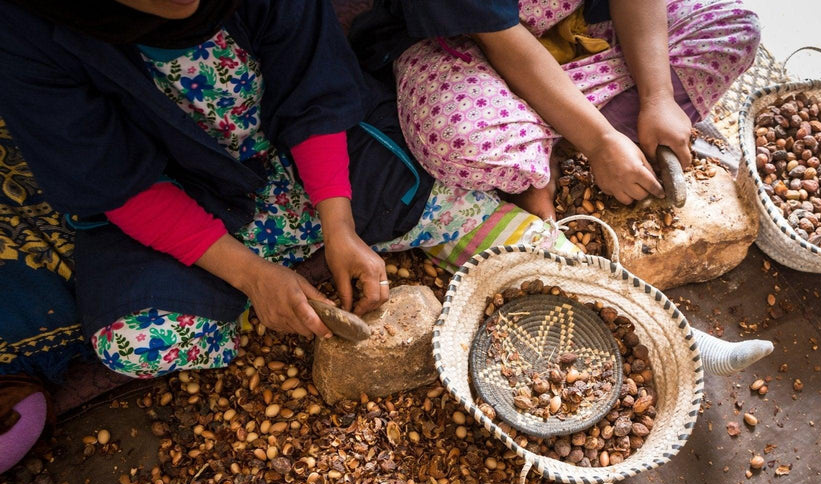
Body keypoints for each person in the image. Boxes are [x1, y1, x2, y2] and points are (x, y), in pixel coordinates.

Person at [0, 0, 557, 381]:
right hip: (189, 198)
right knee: (135, 340)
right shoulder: (26, 30)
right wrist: (250, 274)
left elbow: (314, 89)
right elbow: (114, 180)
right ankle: (264, 294)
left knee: (407, 194)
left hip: (297, 152)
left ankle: (325, 253)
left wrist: (337, 222)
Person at [350, 0, 761, 220]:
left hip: (577, 25)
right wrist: (599, 142)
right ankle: (550, 145)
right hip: (460, 48)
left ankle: (542, 139)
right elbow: (506, 47)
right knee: (458, 139)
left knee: (734, 26)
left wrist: (659, 96)